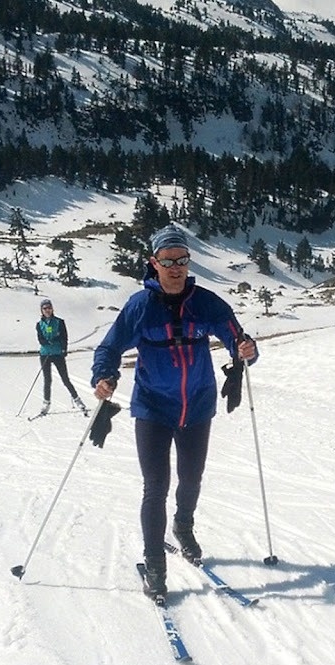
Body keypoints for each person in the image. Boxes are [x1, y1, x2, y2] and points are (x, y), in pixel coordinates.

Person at [91, 223, 258, 600]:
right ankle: (154, 563)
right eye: (167, 260)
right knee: (156, 486)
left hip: (198, 406)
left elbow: (239, 339)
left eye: (181, 258)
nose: (176, 266)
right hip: (152, 408)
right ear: (154, 262)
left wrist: (247, 350)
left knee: (192, 478)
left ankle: (183, 526)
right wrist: (104, 376)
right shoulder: (140, 306)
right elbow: (109, 348)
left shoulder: (207, 302)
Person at [36, 298, 87, 415]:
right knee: (47, 380)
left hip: (58, 353)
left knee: (65, 379)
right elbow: (40, 338)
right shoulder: (39, 324)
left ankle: (77, 400)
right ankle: (46, 403)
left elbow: (64, 337)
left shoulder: (59, 322)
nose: (47, 310)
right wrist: (48, 342)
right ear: (41, 310)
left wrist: (64, 349)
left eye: (49, 308)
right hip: (45, 354)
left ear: (52, 309)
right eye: (45, 308)